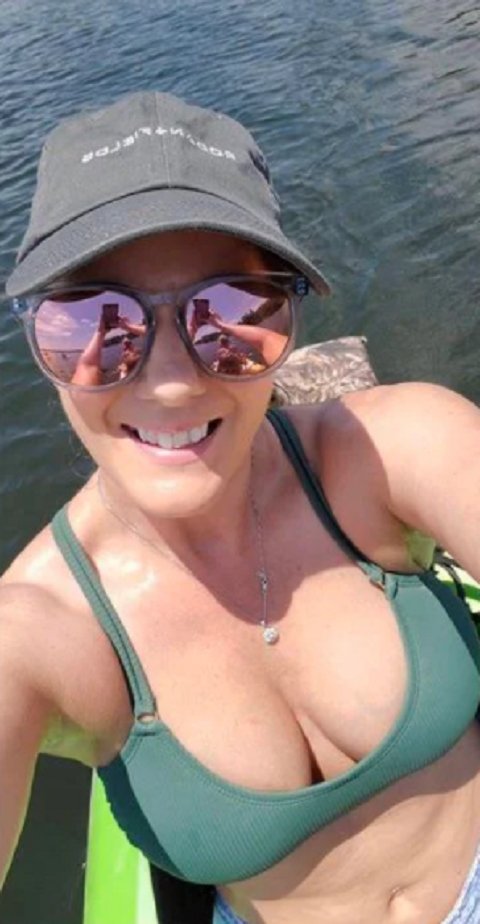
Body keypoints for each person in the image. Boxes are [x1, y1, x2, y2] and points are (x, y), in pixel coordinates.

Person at [2, 90, 480, 924]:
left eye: (231, 310)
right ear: (37, 339)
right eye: (97, 324)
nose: (171, 382)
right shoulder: (41, 630)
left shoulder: (394, 450)